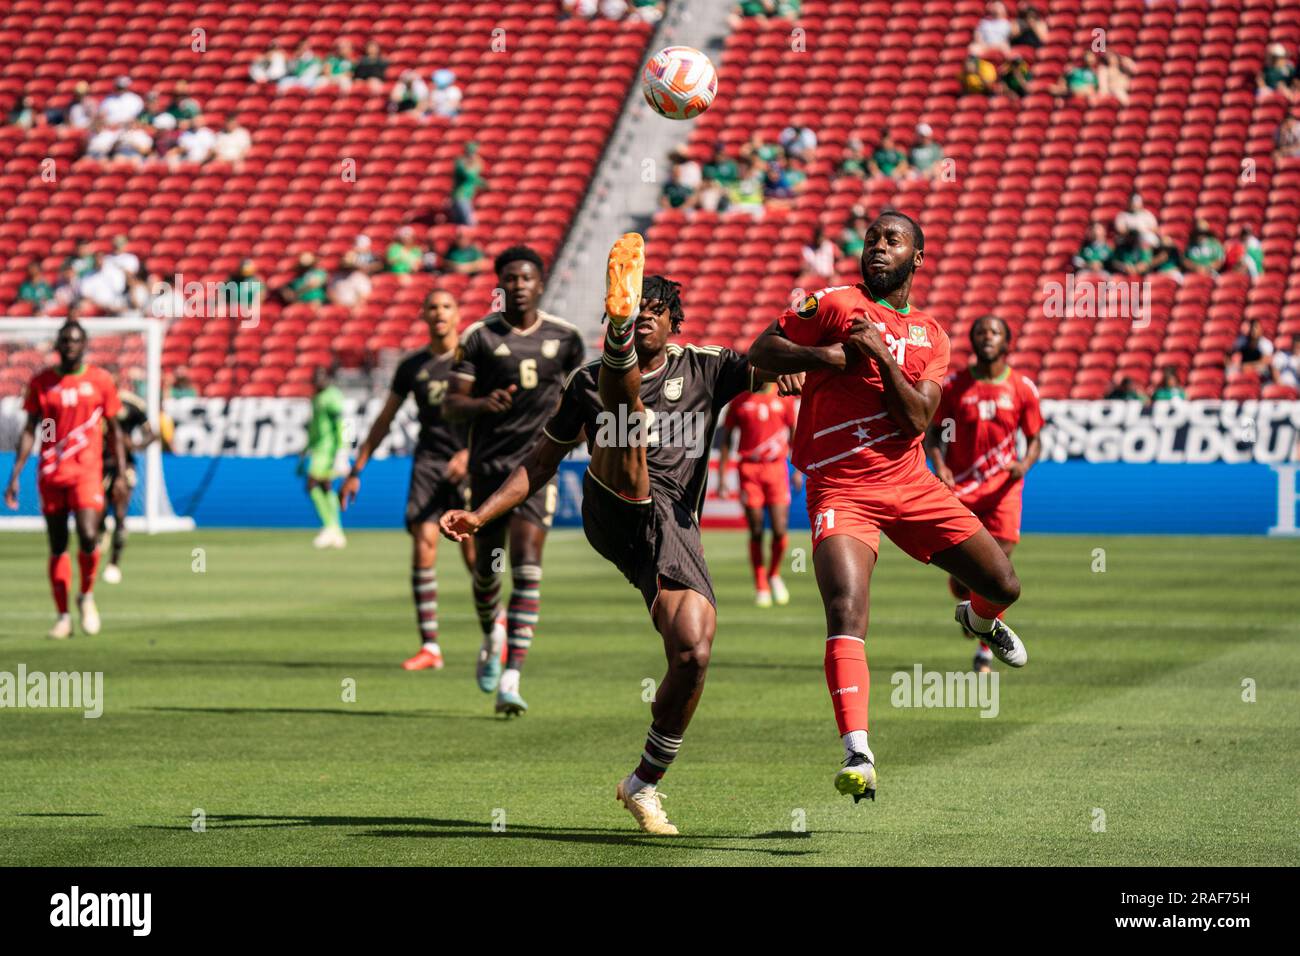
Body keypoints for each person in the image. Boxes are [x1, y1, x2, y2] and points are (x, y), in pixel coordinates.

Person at [441, 234, 797, 833]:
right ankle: (618, 356)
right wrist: (482, 514)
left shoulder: (707, 368)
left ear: (671, 321)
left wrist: (808, 366)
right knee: (626, 418)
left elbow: (776, 360)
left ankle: (643, 784)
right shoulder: (584, 382)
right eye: (625, 314)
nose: (642, 321)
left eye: (645, 315)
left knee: (693, 650)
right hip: (614, 506)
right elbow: (541, 460)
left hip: (674, 527)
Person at [748, 211, 1030, 804]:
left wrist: (875, 351)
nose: (877, 247)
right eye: (872, 238)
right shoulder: (832, 302)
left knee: (1004, 584)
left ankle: (979, 621)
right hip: (840, 487)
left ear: (917, 258)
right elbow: (763, 349)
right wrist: (824, 358)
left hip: (912, 484)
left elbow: (919, 418)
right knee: (846, 607)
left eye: (891, 240)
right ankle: (858, 749)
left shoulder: (932, 335)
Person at [443, 246, 585, 716]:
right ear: (500, 285)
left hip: (536, 469)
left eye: (526, 278)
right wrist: (483, 405)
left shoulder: (565, 338)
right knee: (488, 573)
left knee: (527, 566)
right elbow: (451, 403)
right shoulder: (479, 338)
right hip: (487, 470)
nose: (519, 284)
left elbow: (579, 401)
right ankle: (491, 633)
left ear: (540, 283)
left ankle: (512, 676)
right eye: (510, 278)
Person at [342, 290, 476, 670]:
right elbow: (384, 420)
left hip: (469, 462)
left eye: (446, 307)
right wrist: (357, 470)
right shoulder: (412, 366)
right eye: (432, 307)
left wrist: (471, 455)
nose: (439, 314)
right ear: (423, 315)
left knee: (472, 553)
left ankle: (495, 626)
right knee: (423, 544)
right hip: (429, 463)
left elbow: (495, 416)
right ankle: (430, 646)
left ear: (456, 314)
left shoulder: (475, 360)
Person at [925, 317, 1042, 672]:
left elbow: (1035, 437)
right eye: (980, 332)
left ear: (1006, 340)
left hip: (1004, 490)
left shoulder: (1021, 387)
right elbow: (933, 434)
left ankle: (984, 650)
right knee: (969, 580)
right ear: (973, 342)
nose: (986, 337)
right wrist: (939, 466)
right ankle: (971, 608)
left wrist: (1025, 463)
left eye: (994, 332)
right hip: (963, 489)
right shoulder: (956, 386)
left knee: (997, 570)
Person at [5, 321, 129, 638]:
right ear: (58, 345)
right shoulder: (43, 383)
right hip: (51, 472)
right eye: (65, 340)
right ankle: (62, 616)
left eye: (75, 340)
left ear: (84, 344)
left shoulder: (100, 381)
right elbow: (32, 428)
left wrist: (119, 473)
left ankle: (85, 595)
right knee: (57, 544)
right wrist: (16, 472)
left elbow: (114, 429)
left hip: (87, 470)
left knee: (88, 535)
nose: (70, 345)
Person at [718, 382, 800, 607]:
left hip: (776, 468)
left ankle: (774, 574)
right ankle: (761, 582)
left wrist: (798, 470)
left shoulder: (783, 397)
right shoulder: (740, 400)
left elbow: (794, 435)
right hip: (749, 470)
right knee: (755, 528)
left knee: (780, 528)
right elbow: (726, 439)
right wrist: (723, 477)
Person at [99, 386, 156, 584]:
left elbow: (152, 434)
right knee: (99, 512)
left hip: (125, 467)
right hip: (98, 464)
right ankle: (102, 529)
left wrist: (135, 446)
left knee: (121, 514)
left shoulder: (132, 405)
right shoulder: (92, 401)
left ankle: (114, 563)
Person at [301, 366, 347, 549]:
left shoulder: (332, 397)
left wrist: (342, 451)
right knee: (325, 486)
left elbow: (342, 424)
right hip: (319, 448)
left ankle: (331, 527)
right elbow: (315, 428)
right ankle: (336, 530)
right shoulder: (316, 398)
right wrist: (306, 449)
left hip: (329, 450)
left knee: (312, 484)